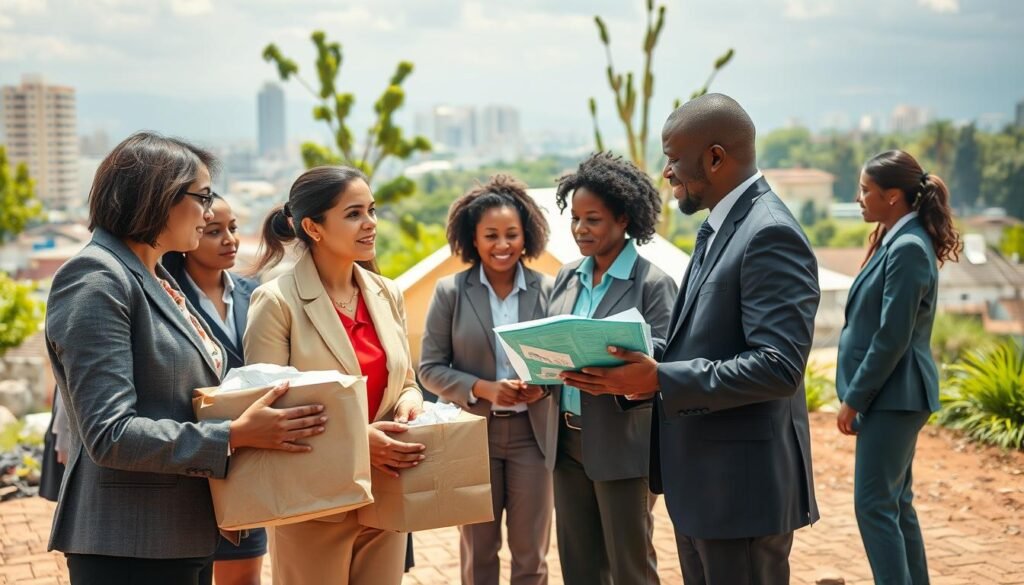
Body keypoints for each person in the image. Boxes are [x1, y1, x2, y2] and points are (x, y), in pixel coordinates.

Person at [44, 131, 326, 585]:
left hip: (181, 534)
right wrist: (233, 434)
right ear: (158, 197)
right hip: (129, 543)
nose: (211, 211)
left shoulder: (154, 277)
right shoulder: (97, 279)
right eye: (203, 196)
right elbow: (110, 433)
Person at [561, 94, 820, 585]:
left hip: (740, 491)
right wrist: (637, 369)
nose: (666, 172)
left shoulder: (769, 233)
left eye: (674, 158)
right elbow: (707, 344)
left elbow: (779, 366)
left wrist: (661, 378)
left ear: (716, 157)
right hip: (704, 484)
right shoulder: (721, 227)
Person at [244, 165, 426, 585]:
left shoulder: (387, 293)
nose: (371, 224)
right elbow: (270, 410)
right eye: (354, 213)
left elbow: (407, 381)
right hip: (313, 503)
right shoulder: (277, 302)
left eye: (372, 210)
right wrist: (360, 441)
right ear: (313, 227)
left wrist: (410, 403)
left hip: (386, 495)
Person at [419, 175, 556, 585]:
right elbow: (429, 367)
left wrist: (542, 387)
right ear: (472, 239)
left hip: (533, 437)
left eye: (512, 234)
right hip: (473, 437)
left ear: (526, 236)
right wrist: (484, 388)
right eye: (491, 235)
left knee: (531, 554)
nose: (503, 245)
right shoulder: (451, 292)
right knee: (478, 552)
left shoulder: (548, 291)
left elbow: (564, 364)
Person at [548, 152, 677, 585]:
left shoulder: (653, 283)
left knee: (630, 568)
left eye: (594, 220)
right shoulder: (566, 277)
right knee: (579, 566)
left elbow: (666, 358)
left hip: (623, 445)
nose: (581, 230)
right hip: (565, 442)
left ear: (624, 220)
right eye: (576, 219)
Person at [836, 150, 960, 585]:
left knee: (873, 506)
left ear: (892, 196)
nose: (859, 198)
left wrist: (854, 399)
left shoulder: (907, 248)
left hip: (895, 395)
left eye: (866, 190)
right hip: (894, 395)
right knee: (894, 503)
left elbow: (892, 337)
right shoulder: (895, 239)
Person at [162, 194, 266, 585]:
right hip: (196, 448)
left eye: (234, 229)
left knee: (244, 575)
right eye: (213, 231)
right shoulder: (168, 296)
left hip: (251, 453)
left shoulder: (252, 293)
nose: (230, 240)